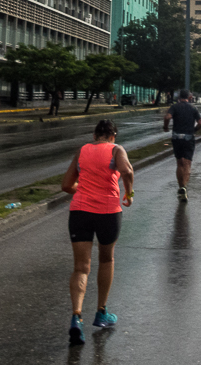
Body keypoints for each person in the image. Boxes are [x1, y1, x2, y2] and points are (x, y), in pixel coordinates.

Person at [60, 119, 135, 346]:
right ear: (113, 136)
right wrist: (129, 194)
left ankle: (76, 316)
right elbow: (127, 171)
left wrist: (81, 190)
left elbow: (66, 185)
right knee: (106, 259)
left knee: (81, 267)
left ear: (95, 135)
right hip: (108, 212)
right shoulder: (116, 149)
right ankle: (101, 312)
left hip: (80, 212)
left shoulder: (82, 150)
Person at [164, 89, 201, 201]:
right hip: (189, 138)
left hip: (176, 137)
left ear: (179, 97)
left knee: (179, 162)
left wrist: (166, 127)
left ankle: (181, 187)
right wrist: (194, 130)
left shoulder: (175, 107)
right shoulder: (193, 108)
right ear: (189, 97)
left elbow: (167, 117)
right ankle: (184, 187)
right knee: (187, 163)